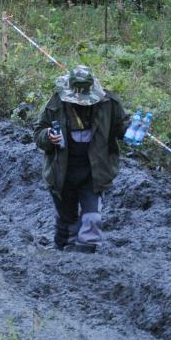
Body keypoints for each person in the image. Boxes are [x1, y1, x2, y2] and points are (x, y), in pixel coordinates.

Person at [33, 65, 129, 252]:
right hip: (62, 171)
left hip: (94, 171)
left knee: (92, 218)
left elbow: (121, 127)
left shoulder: (108, 103)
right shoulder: (55, 103)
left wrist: (132, 130)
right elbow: (38, 134)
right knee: (66, 221)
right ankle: (64, 255)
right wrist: (48, 136)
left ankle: (87, 255)